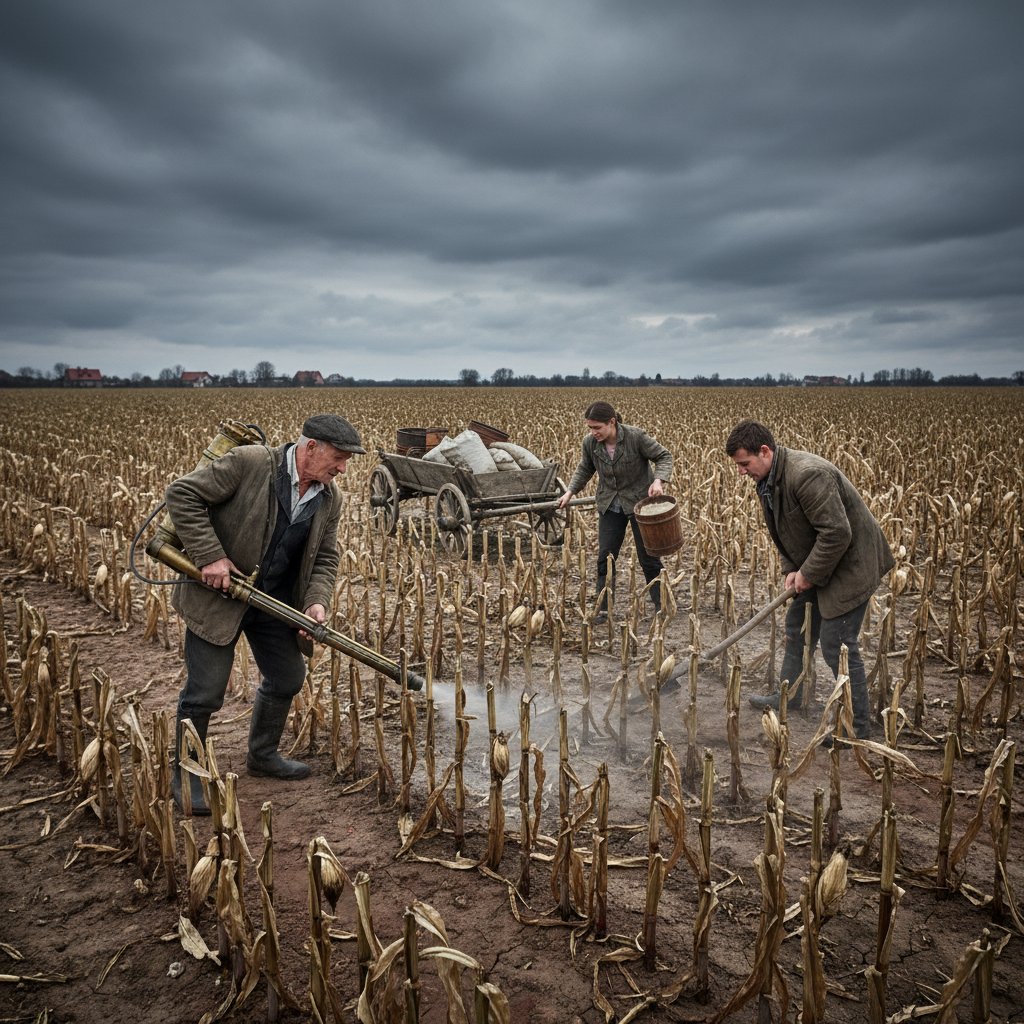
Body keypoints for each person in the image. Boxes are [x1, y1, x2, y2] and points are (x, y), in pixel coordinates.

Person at [165, 413, 365, 814]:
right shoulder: (251, 462)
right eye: (339, 458)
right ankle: (188, 775)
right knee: (205, 692)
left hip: (273, 603)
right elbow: (182, 494)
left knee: (289, 676)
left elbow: (325, 558)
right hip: (218, 597)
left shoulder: (329, 498)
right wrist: (211, 557)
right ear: (311, 448)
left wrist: (315, 602)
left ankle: (262, 755)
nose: (343, 469)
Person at [725, 419, 894, 740]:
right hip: (818, 561)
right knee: (798, 627)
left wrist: (808, 573)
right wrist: (792, 568)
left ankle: (856, 728)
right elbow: (784, 532)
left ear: (765, 451)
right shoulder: (769, 479)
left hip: (851, 565)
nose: (741, 472)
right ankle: (792, 697)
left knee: (837, 644)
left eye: (745, 464)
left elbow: (837, 533)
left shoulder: (807, 475)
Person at [556, 401, 673, 621]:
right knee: (605, 557)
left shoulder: (635, 437)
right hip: (610, 504)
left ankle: (663, 605)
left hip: (639, 503)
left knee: (648, 557)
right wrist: (570, 492)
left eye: (597, 427)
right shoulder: (590, 443)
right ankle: (603, 608)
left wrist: (658, 481)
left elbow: (664, 456)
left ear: (612, 422)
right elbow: (585, 468)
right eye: (590, 428)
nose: (593, 432)